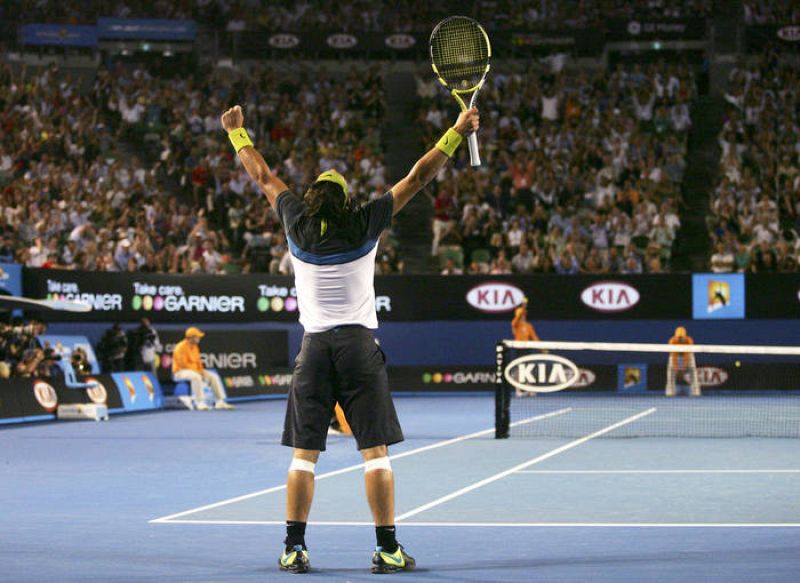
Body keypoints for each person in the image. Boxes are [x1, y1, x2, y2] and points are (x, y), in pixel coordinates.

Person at [220, 103, 479, 574]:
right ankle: (387, 549)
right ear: (345, 200)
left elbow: (262, 176)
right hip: (359, 349)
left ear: (311, 199)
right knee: (375, 454)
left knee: (304, 458)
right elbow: (418, 177)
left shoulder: (295, 220)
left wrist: (237, 134)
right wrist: (456, 132)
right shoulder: (364, 221)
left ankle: (294, 548)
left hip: (314, 349)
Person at [171, 327, 234, 410]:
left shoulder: (195, 347)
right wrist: (198, 372)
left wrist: (201, 371)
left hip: (195, 370)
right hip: (179, 372)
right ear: (191, 337)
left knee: (213, 376)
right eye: (197, 336)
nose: (199, 338)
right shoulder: (180, 347)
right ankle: (199, 402)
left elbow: (198, 362)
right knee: (196, 376)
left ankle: (220, 401)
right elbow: (183, 364)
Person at [511, 297, 541, 397]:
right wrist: (523, 306)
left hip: (527, 348)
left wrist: (542, 347)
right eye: (521, 313)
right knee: (519, 369)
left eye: (524, 313)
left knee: (529, 368)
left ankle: (530, 388)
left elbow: (534, 337)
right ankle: (518, 389)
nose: (523, 315)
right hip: (519, 348)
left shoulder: (529, 326)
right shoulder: (515, 324)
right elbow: (518, 317)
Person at [666, 326, 700, 397]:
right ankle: (670, 391)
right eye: (678, 337)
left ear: (685, 336)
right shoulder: (672, 341)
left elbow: (687, 355)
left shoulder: (689, 340)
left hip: (688, 356)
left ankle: (695, 391)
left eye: (681, 337)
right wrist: (676, 367)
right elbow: (674, 355)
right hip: (675, 356)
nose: (680, 339)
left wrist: (684, 367)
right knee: (670, 372)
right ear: (676, 336)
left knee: (693, 371)